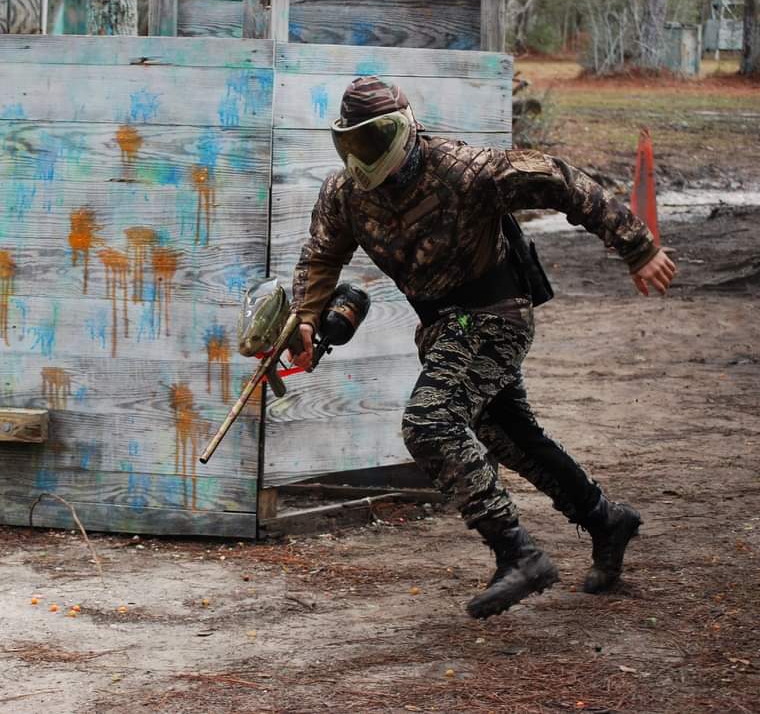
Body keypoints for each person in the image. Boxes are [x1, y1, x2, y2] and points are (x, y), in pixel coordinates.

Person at [287, 76, 677, 618]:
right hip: (443, 329)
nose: (362, 156)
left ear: (405, 130)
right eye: (351, 142)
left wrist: (636, 246)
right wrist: (304, 319)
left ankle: (518, 554)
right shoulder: (345, 194)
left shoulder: (468, 171)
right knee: (510, 438)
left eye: (372, 140)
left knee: (430, 422)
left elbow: (562, 181)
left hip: (496, 314)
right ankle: (607, 520)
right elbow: (322, 255)